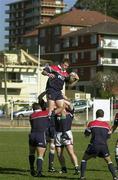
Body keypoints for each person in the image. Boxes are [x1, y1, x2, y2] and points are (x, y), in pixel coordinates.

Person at [80, 109, 118, 180]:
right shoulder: (107, 125)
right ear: (103, 115)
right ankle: (115, 177)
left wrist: (86, 129)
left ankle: (82, 177)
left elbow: (86, 135)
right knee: (109, 161)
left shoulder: (91, 123)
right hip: (103, 146)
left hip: (94, 145)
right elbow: (108, 136)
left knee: (84, 159)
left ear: (96, 115)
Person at [54, 99, 80, 175]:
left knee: (70, 152)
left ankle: (76, 167)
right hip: (58, 133)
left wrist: (62, 99)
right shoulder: (56, 113)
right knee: (59, 153)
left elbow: (71, 105)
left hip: (67, 133)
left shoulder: (70, 113)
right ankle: (63, 168)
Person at [28, 102, 50, 177]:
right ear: (40, 108)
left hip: (32, 135)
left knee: (31, 153)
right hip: (40, 135)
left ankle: (31, 168)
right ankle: (39, 172)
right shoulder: (45, 113)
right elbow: (55, 111)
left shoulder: (31, 116)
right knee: (40, 155)